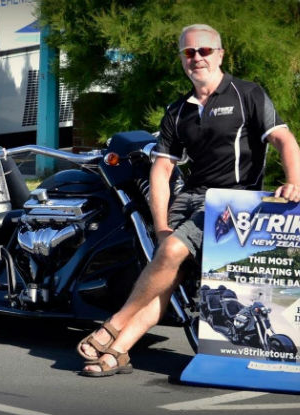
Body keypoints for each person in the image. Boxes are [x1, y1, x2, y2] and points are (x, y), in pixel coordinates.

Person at [76, 23, 300, 377]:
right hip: (190, 200)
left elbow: (285, 140)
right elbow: (162, 171)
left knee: (171, 253)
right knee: (168, 275)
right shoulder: (178, 110)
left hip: (231, 203)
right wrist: (162, 225)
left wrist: (294, 181)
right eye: (189, 52)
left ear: (220, 54)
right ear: (183, 59)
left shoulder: (248, 94)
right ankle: (117, 353)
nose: (197, 58)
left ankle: (113, 326)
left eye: (204, 50)